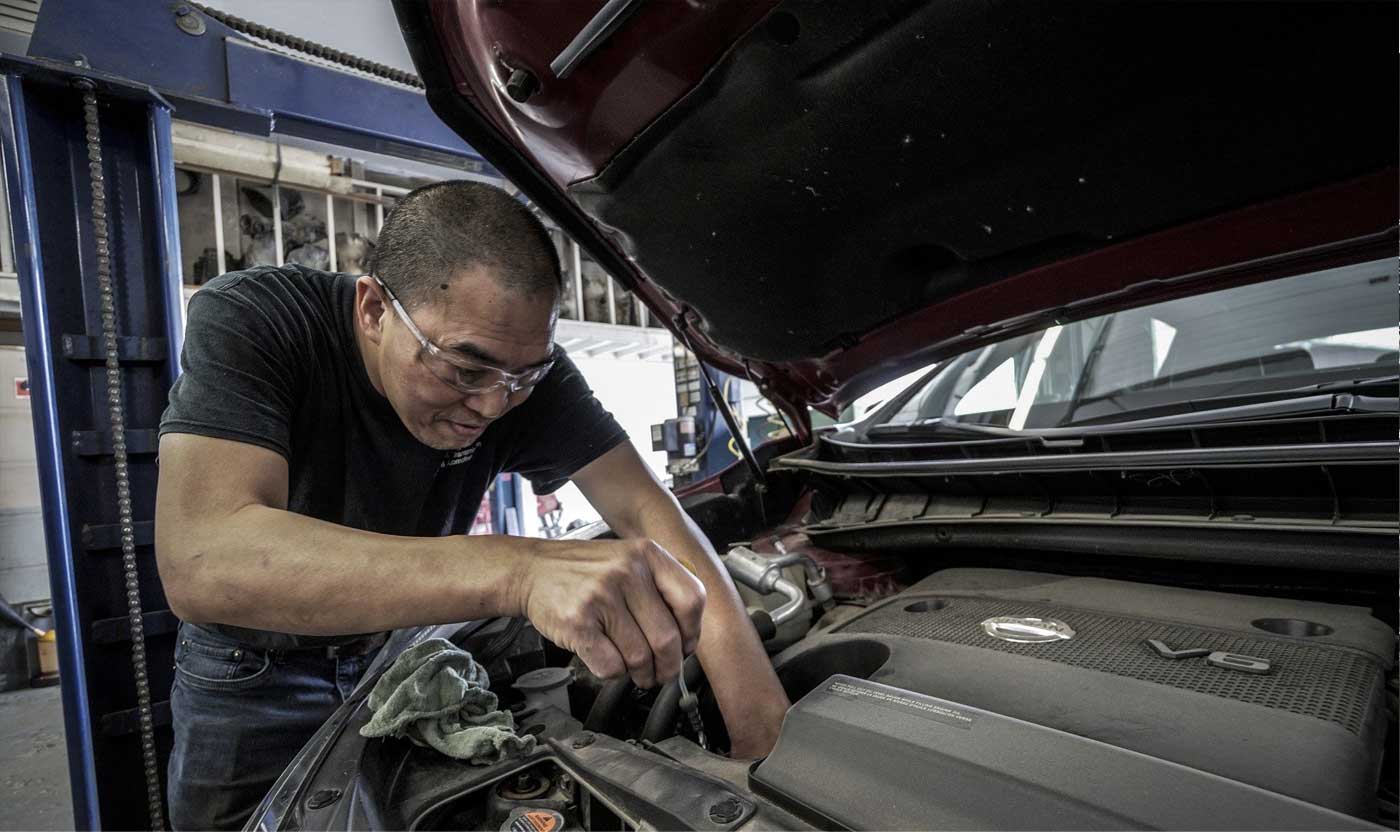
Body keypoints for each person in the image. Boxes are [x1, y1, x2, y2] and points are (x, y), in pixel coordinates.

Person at [154, 181, 789, 830]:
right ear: (374, 309)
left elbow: (648, 512)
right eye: (463, 370)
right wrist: (520, 570)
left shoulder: (517, 375)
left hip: (400, 653)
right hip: (254, 674)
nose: (492, 405)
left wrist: (758, 722)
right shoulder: (262, 320)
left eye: (525, 376)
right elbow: (205, 560)